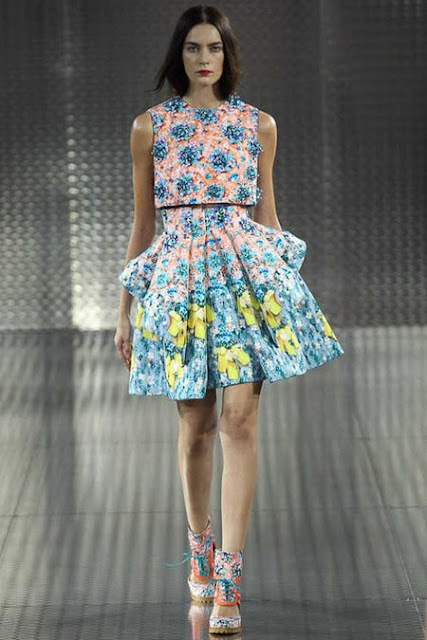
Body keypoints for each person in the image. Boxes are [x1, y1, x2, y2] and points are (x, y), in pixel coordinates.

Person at [114, 5, 344, 634]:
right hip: (181, 286)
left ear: (227, 53)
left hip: (246, 280)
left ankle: (229, 581)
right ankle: (200, 549)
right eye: (193, 48)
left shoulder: (257, 125)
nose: (204, 58)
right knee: (196, 426)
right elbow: (142, 225)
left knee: (240, 420)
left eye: (213, 47)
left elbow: (267, 216)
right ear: (179, 55)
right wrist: (125, 311)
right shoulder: (150, 128)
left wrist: (286, 298)